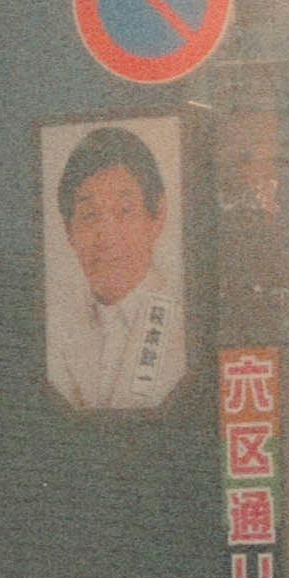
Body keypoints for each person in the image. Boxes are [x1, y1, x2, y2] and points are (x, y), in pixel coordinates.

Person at [46, 123, 190, 411]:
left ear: (157, 215)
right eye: (89, 216)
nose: (106, 237)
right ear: (68, 230)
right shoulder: (57, 327)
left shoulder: (185, 318)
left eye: (124, 212)